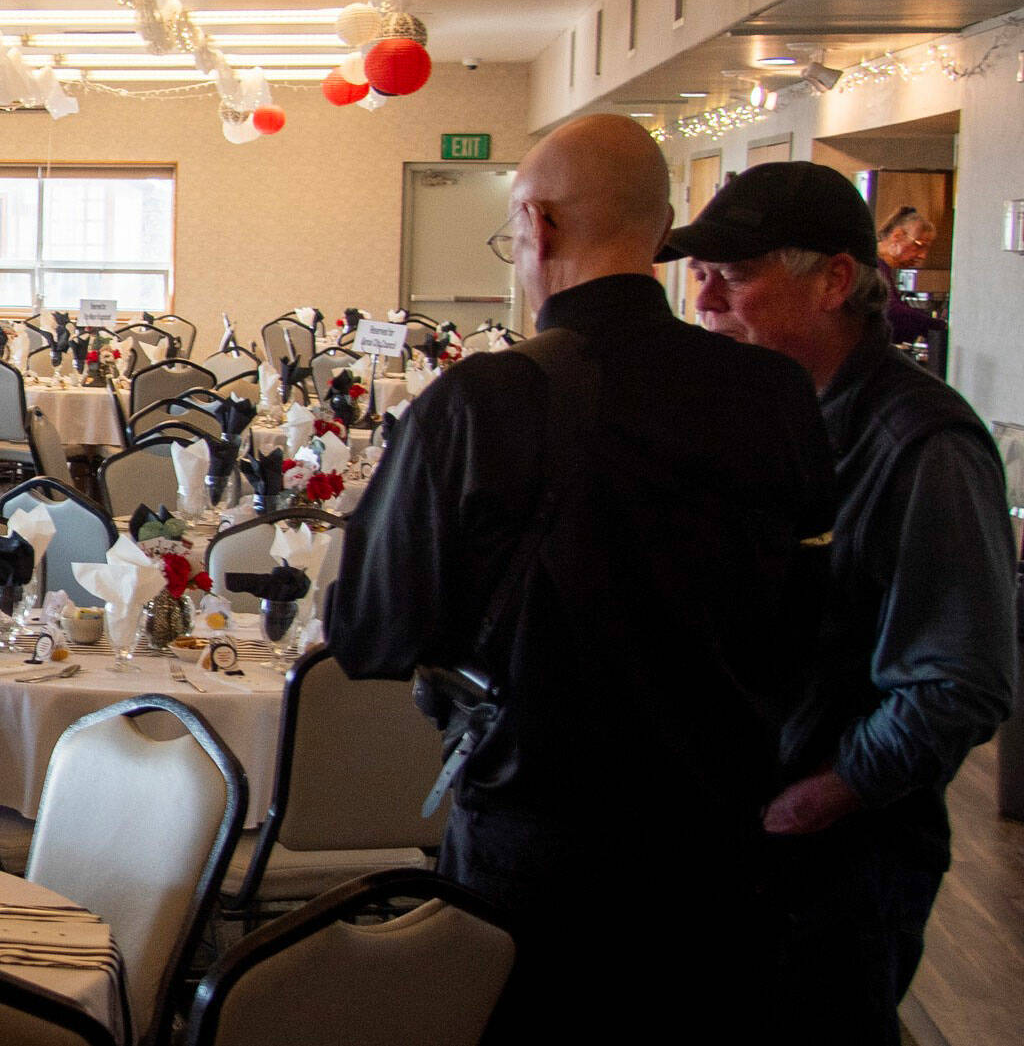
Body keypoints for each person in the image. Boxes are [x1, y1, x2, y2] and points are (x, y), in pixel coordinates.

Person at [329, 115, 837, 1042]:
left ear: (538, 224)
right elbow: (810, 610)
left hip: (542, 855)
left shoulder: (481, 401)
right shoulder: (776, 395)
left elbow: (369, 630)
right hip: (725, 852)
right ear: (662, 227)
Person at [663, 162, 1015, 1044]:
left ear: (832, 280)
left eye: (734, 275)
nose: (704, 301)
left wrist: (820, 797)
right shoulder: (762, 414)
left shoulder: (923, 443)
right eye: (697, 273)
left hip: (838, 861)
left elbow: (958, 682)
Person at [875, 203, 946, 346]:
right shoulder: (871, 265)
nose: (922, 256)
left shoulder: (884, 268)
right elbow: (891, 311)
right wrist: (938, 326)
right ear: (897, 236)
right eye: (919, 246)